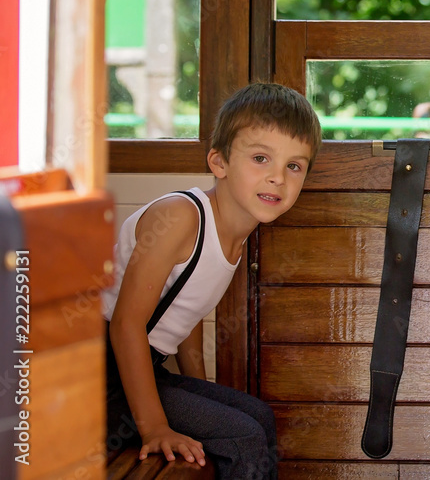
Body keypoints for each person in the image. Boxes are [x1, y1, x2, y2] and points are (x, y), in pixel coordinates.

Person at [102, 83, 322, 479]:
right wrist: (156, 427)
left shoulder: (235, 233)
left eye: (294, 165)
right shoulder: (181, 217)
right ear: (219, 163)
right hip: (101, 377)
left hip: (143, 368)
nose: (277, 178)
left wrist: (199, 393)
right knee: (242, 436)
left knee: (257, 415)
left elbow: (185, 317)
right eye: (260, 158)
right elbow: (125, 324)